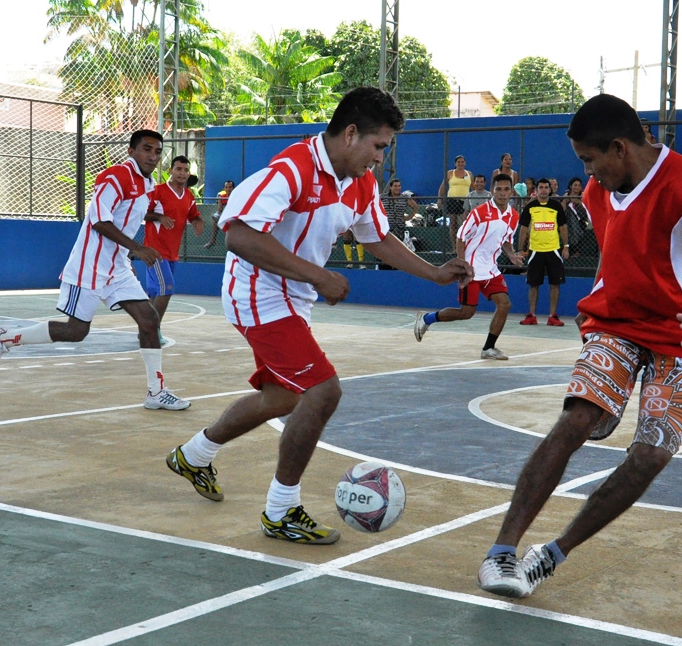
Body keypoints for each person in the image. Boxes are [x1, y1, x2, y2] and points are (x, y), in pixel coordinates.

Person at [164, 87, 473, 545]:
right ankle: (281, 510)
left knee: (283, 398)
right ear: (351, 134)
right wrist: (321, 276)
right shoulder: (293, 170)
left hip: (291, 297)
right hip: (256, 292)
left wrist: (434, 274)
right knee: (322, 391)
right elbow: (241, 237)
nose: (381, 159)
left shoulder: (360, 182)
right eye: (379, 146)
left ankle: (194, 454)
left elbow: (378, 239)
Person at [476, 93, 682, 600]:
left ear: (620, 148)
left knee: (649, 454)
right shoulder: (598, 196)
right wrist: (602, 295)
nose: (586, 173)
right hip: (617, 325)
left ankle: (551, 555)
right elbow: (621, 252)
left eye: (589, 160)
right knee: (576, 419)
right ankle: (502, 552)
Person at [0, 130, 191, 411]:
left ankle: (156, 391)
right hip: (89, 265)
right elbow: (99, 221)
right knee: (76, 331)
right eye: (146, 149)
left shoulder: (148, 183)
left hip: (117, 267)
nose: (153, 156)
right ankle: (5, 338)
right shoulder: (114, 177)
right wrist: (137, 248)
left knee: (149, 320)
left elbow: (129, 219)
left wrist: (129, 252)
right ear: (131, 151)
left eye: (157, 151)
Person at [413, 173, 524, 359]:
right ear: (493, 191)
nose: (503, 193)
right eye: (499, 189)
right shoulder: (479, 212)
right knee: (466, 313)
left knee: (504, 304)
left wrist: (511, 255)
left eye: (506, 190)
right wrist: (463, 265)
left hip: (491, 270)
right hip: (471, 269)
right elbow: (461, 238)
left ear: (511, 192)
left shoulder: (513, 216)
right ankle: (426, 319)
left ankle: (488, 348)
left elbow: (506, 240)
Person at [142, 155, 205, 334]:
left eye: (185, 170)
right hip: (154, 250)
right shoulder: (158, 191)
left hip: (172, 253)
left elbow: (193, 214)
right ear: (170, 171)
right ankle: (152, 330)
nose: (182, 173)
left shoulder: (188, 195)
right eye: (178, 169)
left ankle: (146, 327)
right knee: (167, 288)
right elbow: (141, 212)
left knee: (156, 293)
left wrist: (198, 221)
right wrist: (159, 217)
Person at [517, 178, 569, 326]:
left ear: (550, 190)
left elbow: (563, 227)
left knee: (555, 284)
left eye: (546, 187)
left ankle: (552, 316)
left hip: (553, 250)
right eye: (541, 187)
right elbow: (524, 228)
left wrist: (566, 246)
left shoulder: (556, 206)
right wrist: (521, 249)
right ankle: (532, 315)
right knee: (533, 284)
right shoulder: (530, 206)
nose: (544, 190)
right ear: (537, 189)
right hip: (535, 251)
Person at [438, 154, 473, 242]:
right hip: (452, 201)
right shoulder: (450, 173)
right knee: (453, 224)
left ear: (465, 163)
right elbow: (442, 187)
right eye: (458, 162)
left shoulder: (469, 174)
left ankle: (465, 246)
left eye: (462, 162)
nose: (460, 163)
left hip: (465, 202)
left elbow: (474, 188)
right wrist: (439, 199)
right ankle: (454, 248)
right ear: (455, 163)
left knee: (465, 223)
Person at [455, 174, 492, 248]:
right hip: (472, 224)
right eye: (477, 182)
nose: (479, 184)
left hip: (485, 223)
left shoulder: (489, 195)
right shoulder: (470, 195)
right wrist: (466, 224)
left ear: (484, 183)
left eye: (481, 182)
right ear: (474, 183)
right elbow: (466, 211)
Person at [562, 176, 589, 254]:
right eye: (575, 185)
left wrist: (579, 203)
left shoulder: (583, 197)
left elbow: (587, 212)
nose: (577, 187)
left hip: (582, 221)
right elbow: (561, 211)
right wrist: (564, 201)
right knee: (570, 215)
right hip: (567, 221)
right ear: (571, 186)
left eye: (579, 185)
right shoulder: (566, 196)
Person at [205, 180, 234, 248]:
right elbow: (219, 210)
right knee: (215, 220)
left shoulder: (235, 196)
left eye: (230, 187)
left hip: (234, 216)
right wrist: (215, 216)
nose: (228, 189)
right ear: (224, 188)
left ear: (233, 188)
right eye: (226, 187)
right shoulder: (221, 197)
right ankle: (213, 240)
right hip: (225, 216)